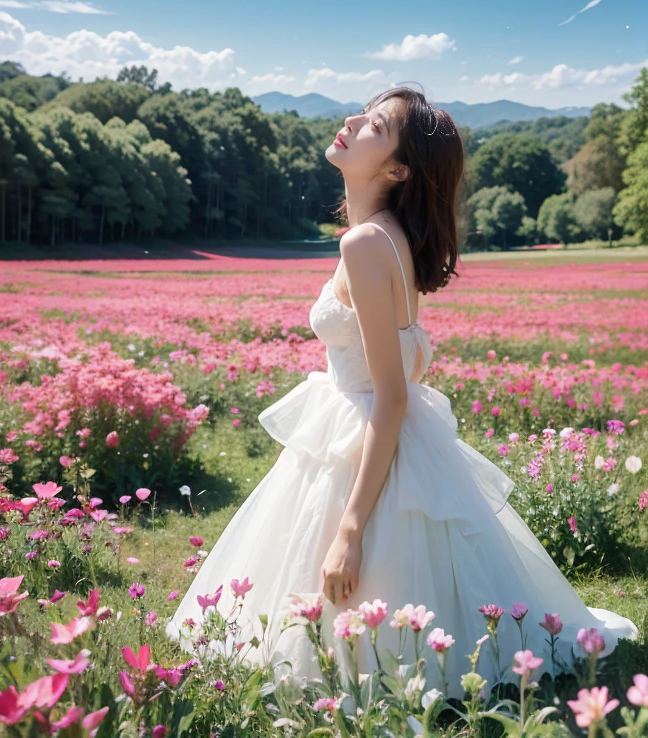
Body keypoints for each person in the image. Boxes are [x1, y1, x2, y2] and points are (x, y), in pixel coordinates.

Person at [167, 85, 637, 697]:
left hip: (367, 428)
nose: (351, 120)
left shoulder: (366, 243)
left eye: (376, 125)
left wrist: (350, 531)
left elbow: (390, 395)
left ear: (397, 168)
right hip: (365, 420)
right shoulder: (387, 234)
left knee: (358, 610)